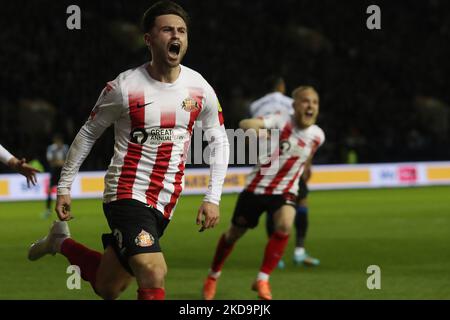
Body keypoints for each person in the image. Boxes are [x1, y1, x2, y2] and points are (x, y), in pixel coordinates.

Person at [28, 0, 229, 300]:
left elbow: (220, 140)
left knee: (109, 285)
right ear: (149, 39)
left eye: (182, 31)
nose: (176, 36)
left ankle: (60, 243)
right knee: (153, 270)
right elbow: (88, 134)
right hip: (126, 192)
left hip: (165, 201)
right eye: (167, 30)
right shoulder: (124, 87)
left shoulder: (199, 87)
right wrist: (64, 186)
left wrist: (212, 197)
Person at [202, 86, 325, 300]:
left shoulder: (318, 136)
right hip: (256, 189)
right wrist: (256, 129)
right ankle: (213, 276)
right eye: (305, 101)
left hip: (285, 191)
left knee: (286, 223)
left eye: (314, 102)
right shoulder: (280, 120)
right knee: (233, 235)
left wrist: (306, 168)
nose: (310, 106)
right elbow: (245, 124)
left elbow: (305, 154)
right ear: (294, 105)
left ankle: (262, 279)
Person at [250, 77, 320, 267]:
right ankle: (299, 251)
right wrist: (307, 164)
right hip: (289, 160)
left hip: (265, 160)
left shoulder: (255, 105)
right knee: (301, 201)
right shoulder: (291, 103)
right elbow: (302, 132)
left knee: (271, 208)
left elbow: (252, 132)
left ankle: (275, 256)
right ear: (281, 87)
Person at [42, 134, 69, 218]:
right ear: (55, 142)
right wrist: (59, 162)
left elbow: (68, 160)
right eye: (57, 142)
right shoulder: (51, 148)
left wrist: (60, 162)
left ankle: (65, 211)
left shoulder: (65, 148)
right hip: (54, 171)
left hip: (62, 172)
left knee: (63, 191)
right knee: (50, 191)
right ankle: (48, 210)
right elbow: (50, 160)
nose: (59, 143)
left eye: (60, 142)